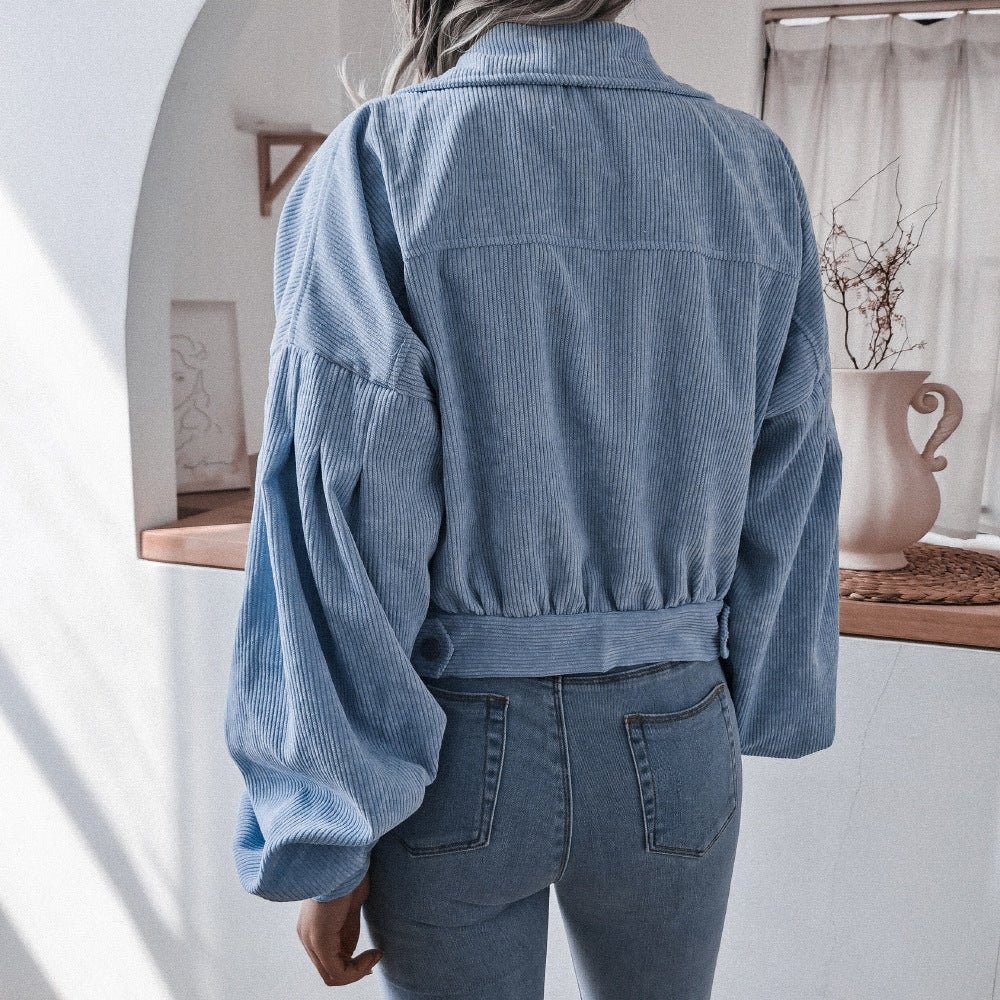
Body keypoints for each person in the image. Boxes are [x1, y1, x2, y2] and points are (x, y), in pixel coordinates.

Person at [224, 2, 843, 997]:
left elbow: (345, 510)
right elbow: (792, 461)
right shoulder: (751, 166)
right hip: (677, 729)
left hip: (456, 745)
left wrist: (327, 831)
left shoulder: (382, 158)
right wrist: (762, 684)